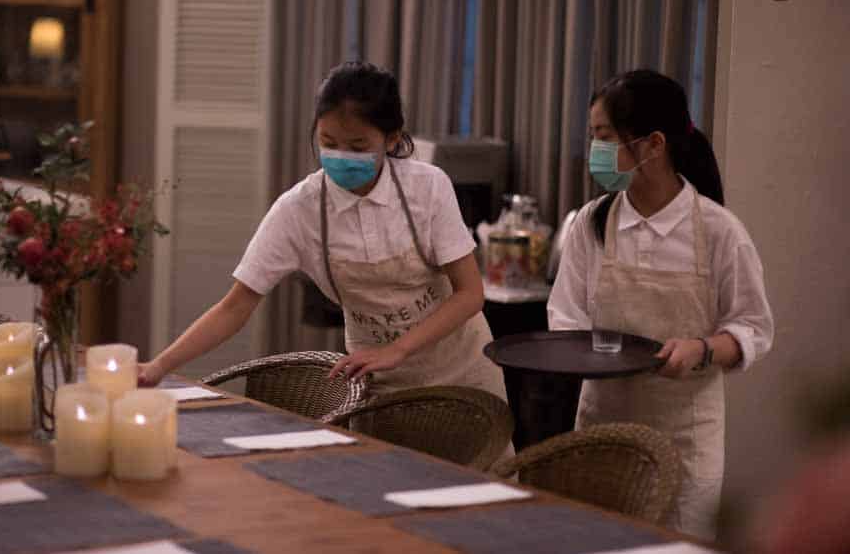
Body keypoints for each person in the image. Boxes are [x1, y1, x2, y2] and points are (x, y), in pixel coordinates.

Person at [139, 61, 507, 411]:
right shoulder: (299, 209)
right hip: (380, 381)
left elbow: (469, 294)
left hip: (463, 370)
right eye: (329, 143)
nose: (341, 156)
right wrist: (159, 367)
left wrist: (398, 349)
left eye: (358, 147)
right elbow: (235, 307)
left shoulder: (428, 187)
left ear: (392, 139)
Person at [547, 69, 774, 540]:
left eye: (605, 137)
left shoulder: (719, 231)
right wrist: (579, 351)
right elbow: (565, 316)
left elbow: (753, 328)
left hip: (684, 439)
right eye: (593, 136)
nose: (595, 150)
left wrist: (702, 349)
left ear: (653, 144)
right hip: (603, 426)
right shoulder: (593, 221)